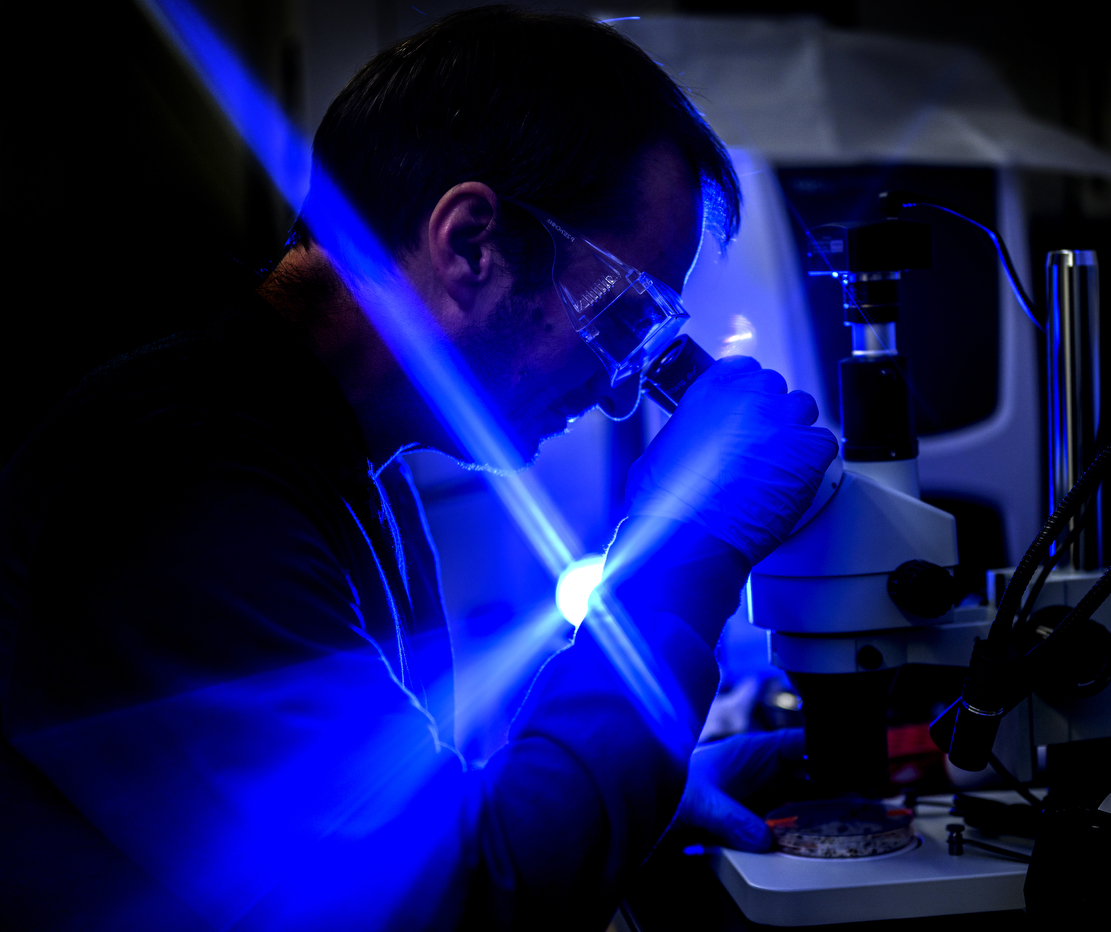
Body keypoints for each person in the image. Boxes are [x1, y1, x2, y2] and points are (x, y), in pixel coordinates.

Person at [0, 7, 836, 930]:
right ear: (472, 244)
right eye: (624, 315)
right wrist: (687, 550)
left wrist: (649, 782)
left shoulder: (353, 460)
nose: (615, 394)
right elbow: (460, 904)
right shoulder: (176, 485)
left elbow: (432, 805)